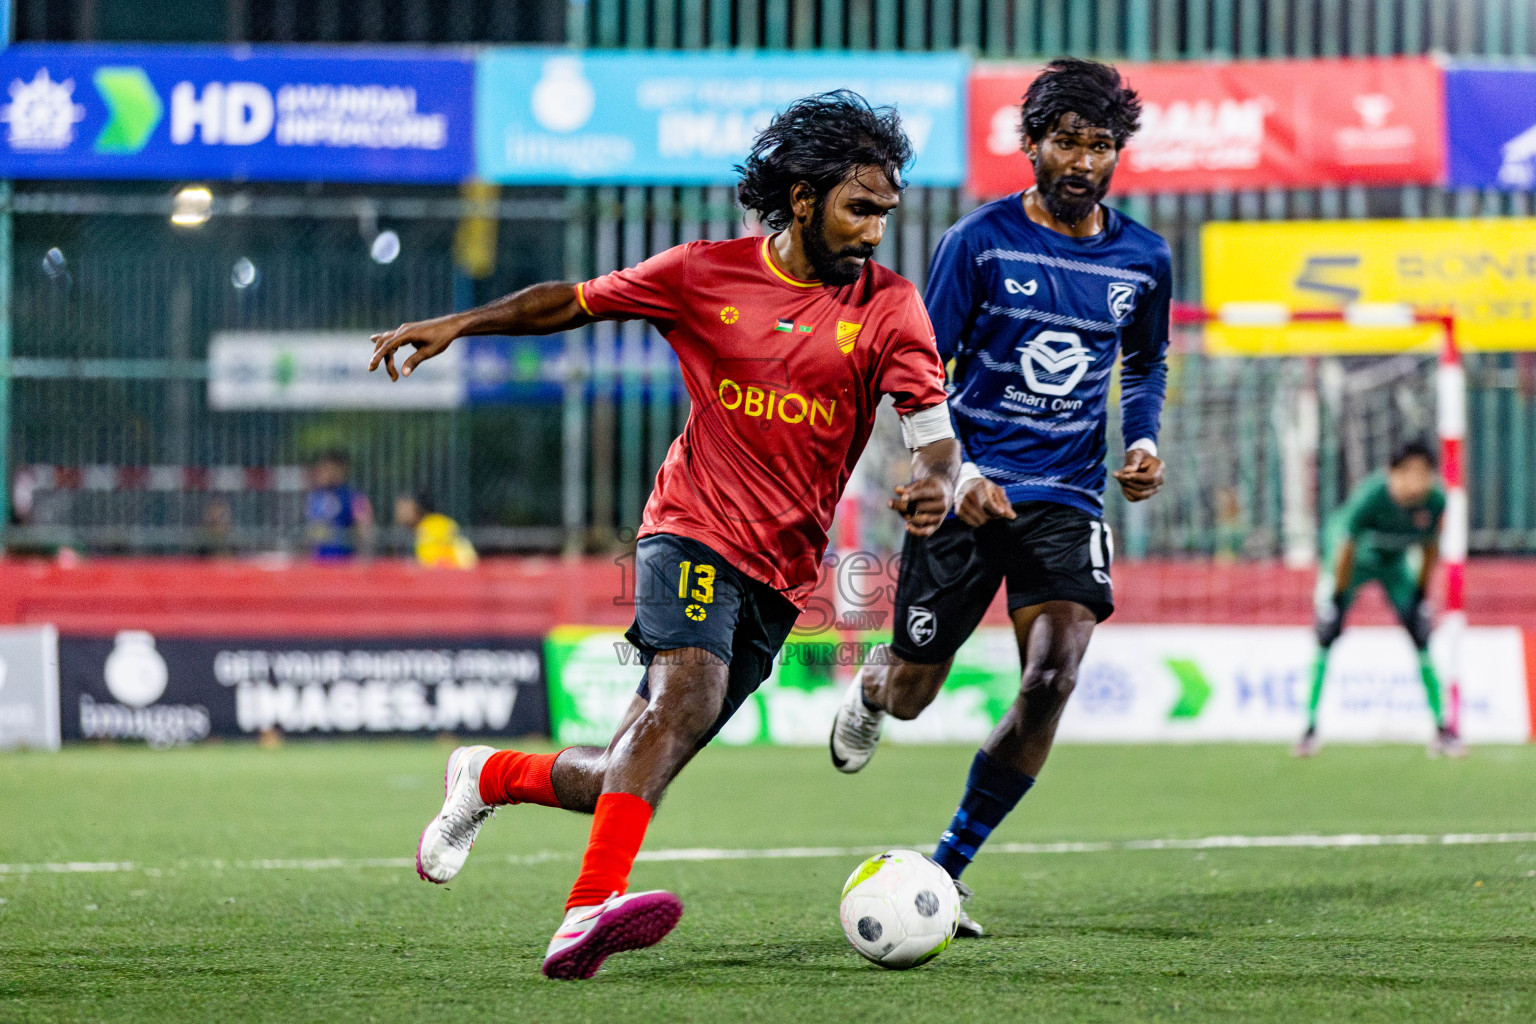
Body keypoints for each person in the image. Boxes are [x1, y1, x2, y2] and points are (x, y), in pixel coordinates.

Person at [368, 91, 960, 980]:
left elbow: (934, 434)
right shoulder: (701, 273)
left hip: (782, 572)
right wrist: (461, 322)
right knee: (683, 698)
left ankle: (488, 777)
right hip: (687, 528)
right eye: (860, 207)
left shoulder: (891, 307)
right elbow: (566, 304)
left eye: (884, 211)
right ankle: (582, 916)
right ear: (803, 199)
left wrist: (933, 483)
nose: (877, 230)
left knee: (631, 763)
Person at [827, 58, 1170, 937]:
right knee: (913, 693)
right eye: (1066, 141)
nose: (1083, 161)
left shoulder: (1144, 258)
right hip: (968, 487)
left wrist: (1141, 438)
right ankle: (872, 689)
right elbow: (919, 372)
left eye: (1101, 145)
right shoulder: (977, 243)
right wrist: (959, 474)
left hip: (1067, 497)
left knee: (1053, 675)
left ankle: (947, 866)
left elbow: (1147, 362)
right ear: (1031, 146)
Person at [1295, 440, 1462, 758]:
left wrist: (1419, 596)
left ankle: (1443, 729)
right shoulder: (1369, 497)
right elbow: (1344, 548)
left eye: (1423, 474)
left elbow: (1429, 549)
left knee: (1420, 631)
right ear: (1392, 474)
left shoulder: (1436, 501)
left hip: (1394, 564)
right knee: (1327, 633)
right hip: (1353, 561)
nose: (1416, 483)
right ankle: (1309, 728)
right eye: (1408, 474)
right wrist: (1337, 596)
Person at [304, 450, 374, 560]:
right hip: (318, 564)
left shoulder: (354, 497)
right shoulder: (315, 497)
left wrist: (363, 558)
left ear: (340, 469)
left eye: (327, 468)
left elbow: (365, 530)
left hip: (344, 564)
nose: (322, 472)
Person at [393, 492, 478, 569]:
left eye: (404, 508)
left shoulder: (433, 525)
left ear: (418, 508)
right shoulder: (425, 527)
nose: (399, 513)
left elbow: (434, 562)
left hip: (454, 576)